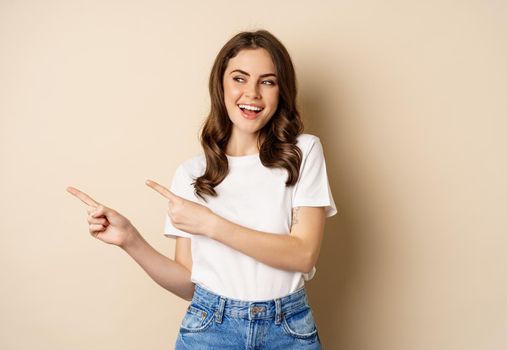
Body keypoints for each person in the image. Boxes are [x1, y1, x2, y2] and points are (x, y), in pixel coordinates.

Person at [67, 29, 337, 350]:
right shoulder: (193, 173)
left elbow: (303, 255)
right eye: (239, 78)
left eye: (267, 81)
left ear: (281, 91)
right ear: (220, 85)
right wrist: (130, 239)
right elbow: (189, 283)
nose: (251, 93)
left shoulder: (303, 152)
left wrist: (210, 224)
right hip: (211, 329)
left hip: (288, 330)